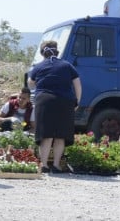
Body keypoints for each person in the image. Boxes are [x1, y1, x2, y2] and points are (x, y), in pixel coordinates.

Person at [27, 40, 81, 173]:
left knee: (46, 135)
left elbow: (30, 83)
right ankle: (56, 165)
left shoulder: (38, 66)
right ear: (57, 50)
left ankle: (44, 165)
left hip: (45, 101)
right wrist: (77, 102)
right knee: (60, 135)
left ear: (42, 53)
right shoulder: (67, 66)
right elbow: (78, 85)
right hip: (65, 101)